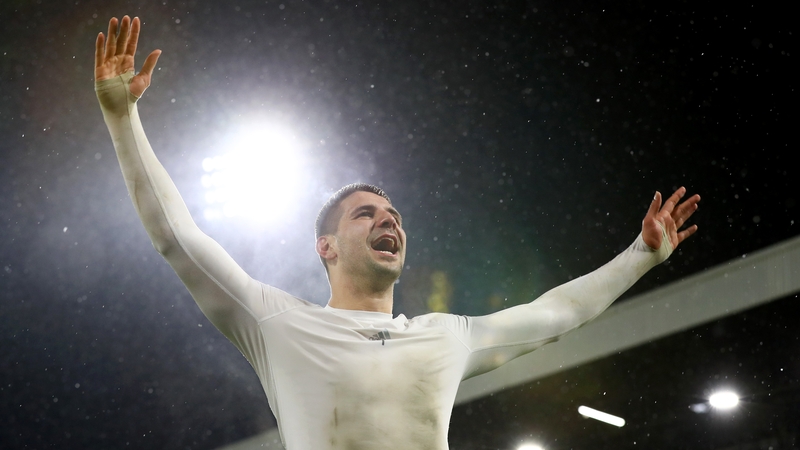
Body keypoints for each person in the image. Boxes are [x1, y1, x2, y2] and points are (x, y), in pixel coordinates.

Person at [94, 16, 700, 450]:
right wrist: (123, 117)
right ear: (326, 247)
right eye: (365, 214)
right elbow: (176, 236)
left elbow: (558, 314)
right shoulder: (276, 323)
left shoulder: (447, 337)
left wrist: (641, 255)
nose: (389, 221)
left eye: (395, 217)